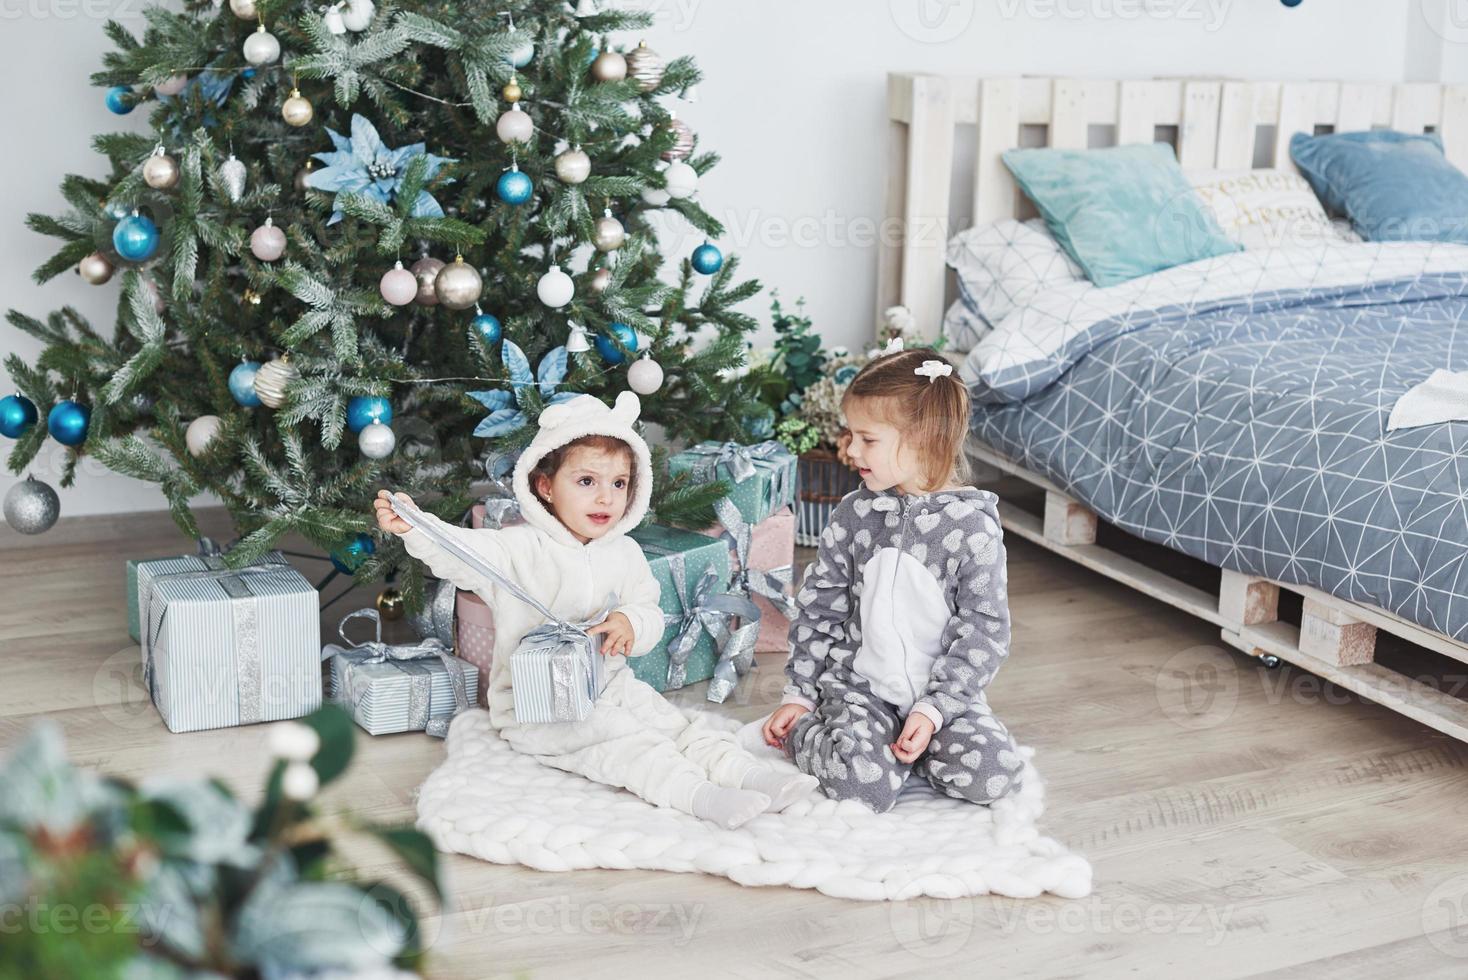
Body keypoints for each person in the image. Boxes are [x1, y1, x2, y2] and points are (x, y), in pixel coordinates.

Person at [375, 391, 815, 829]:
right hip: (541, 707)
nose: (606, 498)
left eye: (618, 484)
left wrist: (629, 622)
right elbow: (461, 552)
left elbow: (649, 611)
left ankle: (751, 775)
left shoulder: (623, 553)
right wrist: (417, 527)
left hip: (612, 682)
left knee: (674, 724)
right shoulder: (518, 548)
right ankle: (699, 796)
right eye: (587, 482)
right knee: (622, 742)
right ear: (545, 487)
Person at [761, 349, 1025, 813]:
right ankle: (826, 734)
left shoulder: (972, 528)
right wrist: (800, 695)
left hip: (941, 699)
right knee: (866, 791)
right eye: (851, 435)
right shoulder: (855, 516)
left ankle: (916, 746)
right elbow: (819, 609)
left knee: (994, 775)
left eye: (867, 438)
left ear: (923, 439)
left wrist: (936, 709)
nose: (852, 450)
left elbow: (985, 630)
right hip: (861, 689)